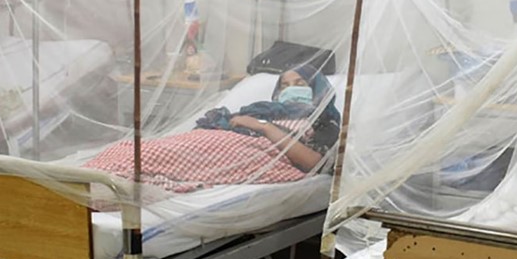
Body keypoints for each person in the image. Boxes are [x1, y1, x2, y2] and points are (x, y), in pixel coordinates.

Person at [86, 65, 340, 193]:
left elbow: (313, 162)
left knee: (159, 158)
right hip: (216, 140)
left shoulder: (324, 120)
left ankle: (106, 183)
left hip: (250, 152)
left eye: (300, 83)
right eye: (284, 85)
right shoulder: (262, 109)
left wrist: (262, 126)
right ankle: (95, 176)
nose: (290, 89)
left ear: (316, 89)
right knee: (145, 148)